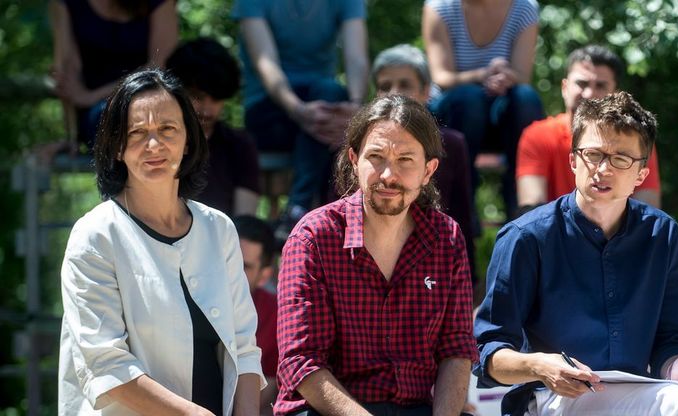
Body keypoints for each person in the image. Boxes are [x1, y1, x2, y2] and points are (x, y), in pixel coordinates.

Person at [473, 91, 678, 415]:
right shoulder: (525, 237)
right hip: (552, 399)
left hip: (635, 395)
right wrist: (540, 366)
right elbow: (487, 353)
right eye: (593, 154)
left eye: (620, 158)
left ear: (641, 176)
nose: (603, 169)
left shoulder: (662, 234)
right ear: (573, 160)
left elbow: (671, 339)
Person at [58, 69, 264, 415]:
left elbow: (243, 350)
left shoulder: (219, 229)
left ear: (188, 141)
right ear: (117, 147)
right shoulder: (94, 236)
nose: (154, 145)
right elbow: (107, 365)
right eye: (137, 133)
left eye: (168, 130)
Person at [275, 95, 478, 415]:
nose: (388, 175)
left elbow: (457, 350)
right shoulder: (313, 237)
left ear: (428, 170)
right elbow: (301, 362)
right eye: (376, 156)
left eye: (405, 160)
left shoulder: (447, 239)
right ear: (354, 160)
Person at [233, 0, 369, 240]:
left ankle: (298, 210)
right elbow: (266, 63)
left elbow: (356, 57)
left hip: (323, 107)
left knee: (331, 96)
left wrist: (355, 108)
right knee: (330, 133)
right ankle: (318, 215)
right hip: (270, 107)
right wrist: (298, 110)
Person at [423, 0, 544, 219]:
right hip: (453, 111)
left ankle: (522, 206)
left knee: (526, 99)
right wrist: (483, 75)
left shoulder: (524, 8)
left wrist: (505, 77)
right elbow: (441, 76)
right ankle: (461, 208)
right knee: (470, 100)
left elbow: (522, 77)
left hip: (501, 112)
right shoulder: (439, 6)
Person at [371, 43, 476, 283]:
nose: (394, 93)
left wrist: (469, 279)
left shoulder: (451, 144)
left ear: (426, 91)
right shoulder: (358, 146)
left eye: (404, 85)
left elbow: (462, 216)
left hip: (435, 264)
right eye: (384, 86)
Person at [516, 44, 662, 213]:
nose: (589, 94)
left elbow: (648, 214)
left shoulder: (636, 141)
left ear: (615, 93)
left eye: (600, 86)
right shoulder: (538, 136)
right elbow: (530, 208)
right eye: (581, 83)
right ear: (564, 87)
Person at [50, 0, 178, 148]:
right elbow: (66, 72)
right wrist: (71, 137)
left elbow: (161, 67)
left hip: (150, 102)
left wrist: (90, 97)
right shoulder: (65, 4)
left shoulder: (159, 3)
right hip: (98, 117)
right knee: (113, 121)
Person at [167, 37, 261, 217]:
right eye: (198, 97)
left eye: (216, 99)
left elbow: (244, 219)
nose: (207, 110)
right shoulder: (158, 144)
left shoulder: (239, 146)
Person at [235, 215, 280, 416]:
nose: (231, 271)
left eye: (244, 266)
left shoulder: (275, 313)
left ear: (264, 276)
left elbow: (271, 384)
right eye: (227, 258)